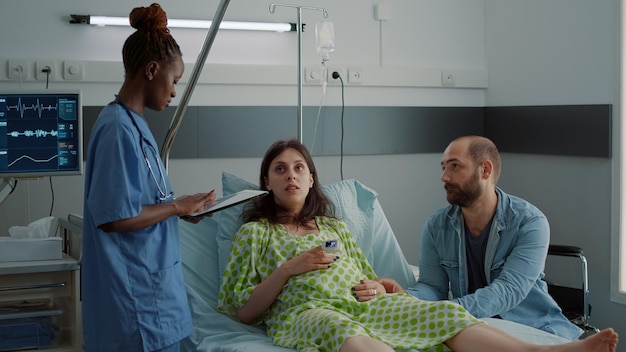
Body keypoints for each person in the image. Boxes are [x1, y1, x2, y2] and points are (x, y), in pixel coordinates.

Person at [217, 139, 618, 352]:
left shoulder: (332, 226)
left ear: (311, 180)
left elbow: (365, 276)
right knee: (342, 329)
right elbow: (242, 311)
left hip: (365, 304)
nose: (291, 175)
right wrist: (290, 268)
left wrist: (380, 287)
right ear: (266, 182)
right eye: (280, 169)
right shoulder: (255, 234)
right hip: (310, 311)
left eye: (300, 167)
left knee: (443, 317)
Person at [82, 4, 216, 351]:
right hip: (136, 303)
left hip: (154, 293)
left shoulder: (134, 125)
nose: (174, 91)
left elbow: (142, 201)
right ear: (152, 69)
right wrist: (175, 207)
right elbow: (114, 217)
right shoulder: (116, 129)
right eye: (174, 80)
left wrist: (184, 207)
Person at [379, 135, 583, 340]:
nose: (444, 177)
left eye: (455, 166)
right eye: (443, 168)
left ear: (485, 170)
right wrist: (406, 297)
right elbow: (433, 287)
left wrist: (442, 313)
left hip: (534, 326)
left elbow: (508, 291)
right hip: (473, 327)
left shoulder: (530, 222)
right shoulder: (437, 225)